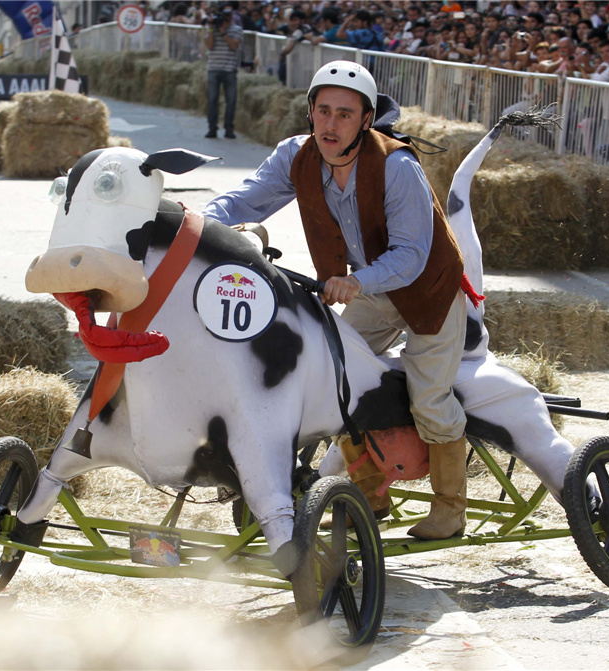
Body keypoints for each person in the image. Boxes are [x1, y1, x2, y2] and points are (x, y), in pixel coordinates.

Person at [203, 61, 473, 540]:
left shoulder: (397, 165)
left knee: (430, 400)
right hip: (371, 290)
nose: (330, 124)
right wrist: (197, 223)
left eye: (344, 114)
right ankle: (370, 495)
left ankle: (451, 509)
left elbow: (411, 255)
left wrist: (355, 281)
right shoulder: (297, 155)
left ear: (366, 120)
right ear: (310, 112)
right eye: (322, 111)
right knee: (332, 384)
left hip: (427, 289)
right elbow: (246, 200)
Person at [203, 9, 243, 139]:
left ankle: (229, 128)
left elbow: (234, 46)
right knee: (212, 100)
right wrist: (211, 28)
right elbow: (209, 45)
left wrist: (223, 32)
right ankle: (212, 128)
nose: (226, 19)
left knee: (231, 101)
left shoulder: (236, 29)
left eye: (228, 16)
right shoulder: (211, 29)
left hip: (229, 69)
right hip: (213, 68)